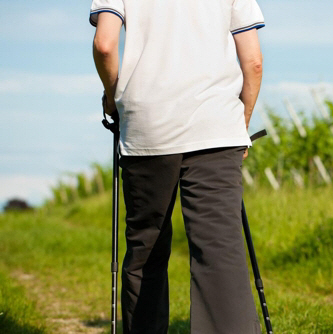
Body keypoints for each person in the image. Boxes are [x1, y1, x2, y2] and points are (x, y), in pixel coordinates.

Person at [90, 0, 265, 333]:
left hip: (148, 125)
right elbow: (253, 61)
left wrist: (113, 98)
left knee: (146, 249)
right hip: (217, 127)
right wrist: (240, 123)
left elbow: (105, 44)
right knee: (219, 251)